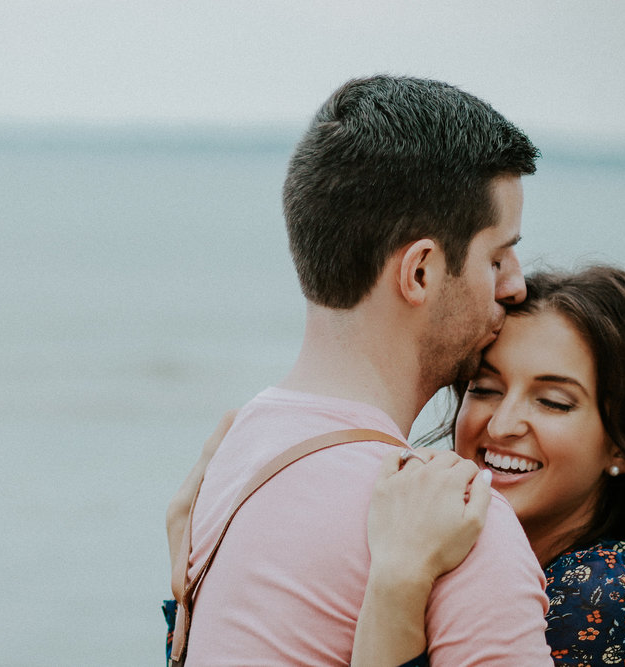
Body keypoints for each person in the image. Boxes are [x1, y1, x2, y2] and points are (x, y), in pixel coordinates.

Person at [167, 74, 554, 665]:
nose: (515, 285)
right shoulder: (458, 532)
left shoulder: (222, 469)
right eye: (497, 257)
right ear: (420, 271)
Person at [356, 266, 625, 666]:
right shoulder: (436, 543)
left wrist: (398, 582)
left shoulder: (604, 593)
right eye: (484, 389)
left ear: (623, 447)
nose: (501, 425)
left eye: (553, 401)